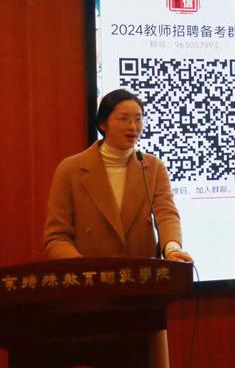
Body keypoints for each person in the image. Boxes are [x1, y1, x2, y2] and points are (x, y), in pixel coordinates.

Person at [43, 88, 192, 368]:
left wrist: (172, 248)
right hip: (90, 296)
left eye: (138, 118)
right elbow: (56, 237)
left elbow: (166, 214)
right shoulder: (71, 169)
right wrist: (84, 271)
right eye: (124, 119)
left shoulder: (152, 167)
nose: (133, 127)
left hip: (141, 294)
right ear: (103, 124)